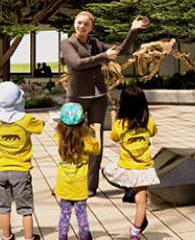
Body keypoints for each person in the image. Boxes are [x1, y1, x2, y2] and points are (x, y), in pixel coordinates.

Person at [60, 11, 150, 194]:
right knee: (72, 140)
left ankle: (90, 186)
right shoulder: (68, 43)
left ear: (91, 27)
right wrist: (104, 57)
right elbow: (77, 63)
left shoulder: (95, 43)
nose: (81, 26)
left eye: (86, 24)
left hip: (98, 97)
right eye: (79, 23)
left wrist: (132, 31)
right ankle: (68, 182)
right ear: (74, 23)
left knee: (96, 141)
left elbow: (121, 51)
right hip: (76, 98)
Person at [102, 86, 160, 240]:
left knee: (105, 171)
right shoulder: (147, 122)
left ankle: (128, 189)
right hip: (144, 167)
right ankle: (136, 231)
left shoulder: (121, 124)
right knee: (142, 200)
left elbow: (114, 137)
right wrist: (149, 116)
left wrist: (113, 117)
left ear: (124, 104)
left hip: (127, 167)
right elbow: (154, 132)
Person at [0, 81, 44, 240]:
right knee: (26, 209)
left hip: (0, 170)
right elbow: (41, 126)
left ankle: (6, 239)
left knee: (3, 208)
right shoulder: (26, 120)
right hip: (21, 171)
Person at [54, 102, 102, 240]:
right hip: (80, 186)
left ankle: (62, 239)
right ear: (83, 123)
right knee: (81, 215)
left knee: (64, 214)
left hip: (64, 185)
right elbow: (97, 149)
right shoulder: (86, 142)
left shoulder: (60, 138)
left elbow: (58, 132)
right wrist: (97, 131)